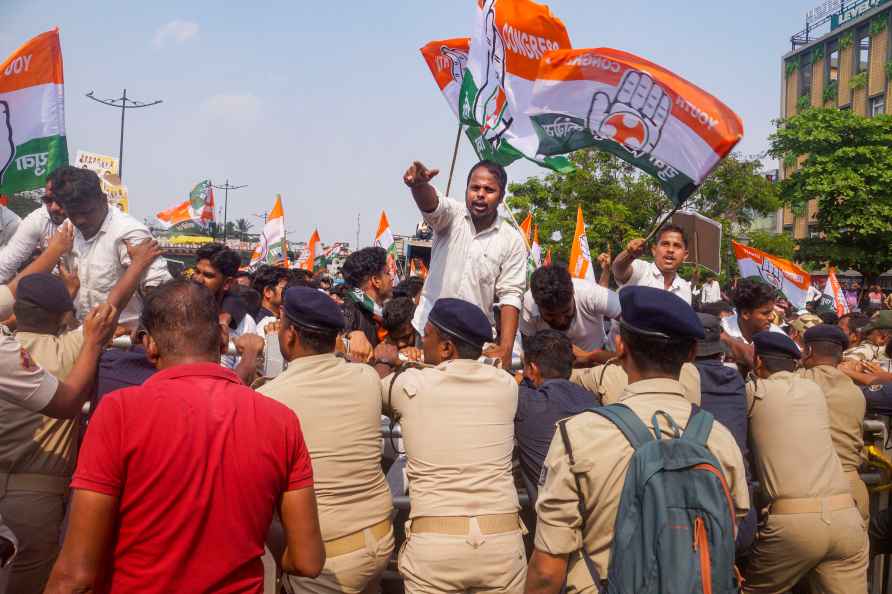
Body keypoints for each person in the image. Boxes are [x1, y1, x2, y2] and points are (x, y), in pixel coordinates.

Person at [44, 280, 325, 594]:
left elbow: (74, 575)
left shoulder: (119, 413)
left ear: (148, 344)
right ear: (222, 338)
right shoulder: (280, 420)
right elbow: (308, 561)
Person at [526, 286, 748, 594]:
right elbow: (726, 536)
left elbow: (548, 570)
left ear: (619, 346)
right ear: (692, 354)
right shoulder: (720, 439)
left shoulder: (579, 435)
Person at [0, 240, 160, 593]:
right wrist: (137, 265)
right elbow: (110, 308)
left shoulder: (6, 349)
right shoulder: (74, 347)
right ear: (62, 316)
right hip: (36, 501)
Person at [373, 298, 525, 594]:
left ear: (446, 348)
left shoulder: (411, 386)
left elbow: (372, 394)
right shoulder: (505, 386)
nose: (420, 342)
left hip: (436, 549)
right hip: (502, 544)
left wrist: (384, 359)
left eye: (426, 335)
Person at [259, 286, 394, 594]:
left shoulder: (270, 398)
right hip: (379, 539)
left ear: (289, 335)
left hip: (327, 558)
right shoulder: (366, 378)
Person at [742, 331, 867, 593]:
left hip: (793, 524)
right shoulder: (813, 391)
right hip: (847, 520)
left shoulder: (756, 392)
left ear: (759, 363)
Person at [403, 160, 526, 367]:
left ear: (501, 196)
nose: (480, 194)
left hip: (472, 342)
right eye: (475, 188)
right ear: (466, 189)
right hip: (430, 332)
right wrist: (419, 186)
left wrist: (505, 348)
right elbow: (432, 204)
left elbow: (511, 295)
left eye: (489, 190)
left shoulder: (512, 240)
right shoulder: (451, 215)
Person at [0, 225, 118, 420]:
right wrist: (93, 343)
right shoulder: (70, 348)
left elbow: (11, 297)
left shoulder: (8, 339)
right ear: (62, 317)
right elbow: (109, 310)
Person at [49, 167, 171, 327]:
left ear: (103, 199)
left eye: (87, 212)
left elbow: (160, 293)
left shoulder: (129, 232)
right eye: (73, 214)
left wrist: (142, 332)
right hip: (78, 335)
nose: (80, 221)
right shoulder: (66, 231)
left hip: (124, 342)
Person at [693, 313, 756, 554]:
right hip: (739, 517)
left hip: (697, 523)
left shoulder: (683, 379)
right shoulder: (734, 380)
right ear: (720, 352)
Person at [514, 330, 597, 505]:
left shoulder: (526, 402)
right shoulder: (593, 402)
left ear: (532, 369)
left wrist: (518, 382)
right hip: (597, 511)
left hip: (553, 519)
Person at [799, 324, 869, 522]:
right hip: (852, 491)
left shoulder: (797, 382)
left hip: (811, 490)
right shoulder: (855, 391)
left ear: (809, 351)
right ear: (840, 355)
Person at [520, 265, 620, 367]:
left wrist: (591, 356)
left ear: (573, 293)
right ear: (536, 304)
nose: (560, 321)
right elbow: (529, 351)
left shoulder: (591, 294)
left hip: (598, 363)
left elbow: (633, 318)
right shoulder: (528, 305)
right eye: (551, 315)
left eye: (566, 311)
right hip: (553, 371)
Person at [191, 243, 264, 380]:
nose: (198, 280)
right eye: (197, 272)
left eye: (208, 275)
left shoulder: (243, 323)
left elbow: (242, 381)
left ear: (227, 283)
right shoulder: (179, 309)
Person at [0, 176, 67, 283]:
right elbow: (6, 265)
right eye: (48, 200)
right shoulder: (36, 220)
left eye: (60, 201)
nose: (54, 207)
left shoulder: (12, 222)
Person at [611, 225, 692, 304]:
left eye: (677, 246)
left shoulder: (685, 288)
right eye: (665, 244)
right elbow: (618, 269)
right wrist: (629, 253)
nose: (670, 250)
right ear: (654, 250)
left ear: (685, 255)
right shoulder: (641, 269)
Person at [340, 247, 394, 361]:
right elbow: (338, 347)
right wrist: (348, 342)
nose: (392, 277)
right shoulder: (349, 310)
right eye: (388, 273)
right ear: (376, 281)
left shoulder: (384, 313)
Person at [721, 278, 778, 371]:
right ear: (745, 314)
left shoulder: (777, 335)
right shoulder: (721, 329)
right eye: (765, 313)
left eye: (772, 312)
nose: (772, 317)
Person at [382, 296, 421, 360]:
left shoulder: (427, 342)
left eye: (406, 337)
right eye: (394, 339)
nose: (400, 344)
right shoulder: (385, 346)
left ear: (415, 327)